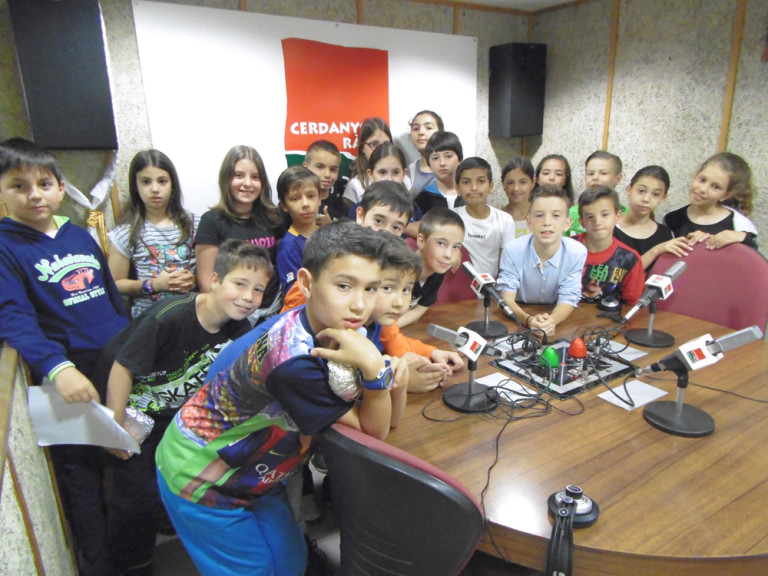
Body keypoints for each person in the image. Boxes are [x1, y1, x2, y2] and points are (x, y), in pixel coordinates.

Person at [155, 221, 403, 576]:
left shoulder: (334, 326)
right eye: (344, 286)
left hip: (256, 473)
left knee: (290, 559)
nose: (360, 304)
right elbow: (373, 431)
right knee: (251, 569)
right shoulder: (293, 362)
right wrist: (377, 371)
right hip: (200, 476)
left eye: (372, 288)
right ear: (306, 283)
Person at [101, 239, 269, 575]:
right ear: (214, 280)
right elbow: (122, 367)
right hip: (137, 414)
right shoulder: (169, 317)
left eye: (258, 290)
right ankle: (130, 565)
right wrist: (114, 427)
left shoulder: (241, 329)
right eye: (240, 284)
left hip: (179, 418)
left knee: (174, 482)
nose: (248, 297)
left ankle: (165, 518)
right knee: (134, 499)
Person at [0, 137, 128, 576]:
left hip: (114, 362)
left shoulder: (77, 234)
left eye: (44, 183)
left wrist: (130, 346)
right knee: (81, 478)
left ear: (60, 187)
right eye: (19, 186)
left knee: (124, 459)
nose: (34, 195)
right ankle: (99, 568)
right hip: (67, 376)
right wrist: (58, 368)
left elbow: (110, 296)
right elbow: (13, 317)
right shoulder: (6, 246)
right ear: (2, 192)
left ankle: (133, 558)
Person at [195, 145, 285, 323]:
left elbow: (280, 263)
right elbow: (207, 284)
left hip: (274, 310)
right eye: (239, 175)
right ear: (226, 178)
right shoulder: (211, 221)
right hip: (233, 316)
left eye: (255, 177)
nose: (247, 183)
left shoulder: (274, 218)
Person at [108, 149, 197, 318]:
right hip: (150, 320)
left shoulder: (195, 223)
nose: (155, 189)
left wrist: (194, 280)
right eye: (146, 182)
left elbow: (213, 274)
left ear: (172, 185)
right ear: (136, 186)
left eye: (162, 181)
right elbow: (115, 283)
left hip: (192, 315)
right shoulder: (126, 232)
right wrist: (154, 284)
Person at [497, 185, 587, 339]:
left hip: (556, 314)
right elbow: (506, 297)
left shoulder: (577, 252)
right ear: (529, 222)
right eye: (539, 215)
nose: (547, 222)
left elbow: (569, 297)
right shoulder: (512, 250)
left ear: (567, 223)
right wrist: (528, 321)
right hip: (517, 315)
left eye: (556, 215)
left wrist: (551, 322)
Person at [663, 152, 758, 249]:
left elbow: (751, 256)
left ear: (726, 195)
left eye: (715, 187)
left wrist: (743, 238)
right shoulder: (672, 219)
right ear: (695, 175)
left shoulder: (739, 226)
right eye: (702, 180)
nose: (703, 189)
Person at [575, 186, 644, 306]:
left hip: (609, 316)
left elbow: (632, 304)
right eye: (590, 217)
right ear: (582, 222)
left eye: (605, 214)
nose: (597, 222)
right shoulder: (564, 248)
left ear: (618, 216)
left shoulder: (630, 259)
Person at [398, 207, 465, 328]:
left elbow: (417, 312)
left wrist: (391, 328)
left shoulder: (438, 271)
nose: (448, 255)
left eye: (456, 247)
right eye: (441, 243)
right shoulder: (399, 269)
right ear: (421, 241)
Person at [614, 165, 692, 269]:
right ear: (629, 190)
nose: (646, 199)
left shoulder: (665, 234)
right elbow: (620, 273)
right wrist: (656, 250)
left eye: (655, 194)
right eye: (641, 191)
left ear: (663, 198)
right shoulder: (609, 228)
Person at [454, 157, 514, 278]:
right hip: (459, 286)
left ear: (491, 186)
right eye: (466, 182)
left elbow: (507, 265)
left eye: (481, 181)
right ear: (457, 188)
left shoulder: (504, 220)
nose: (474, 187)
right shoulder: (452, 217)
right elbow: (424, 228)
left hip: (491, 286)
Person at [343, 118, 411, 206]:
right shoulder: (355, 185)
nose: (381, 148)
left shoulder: (404, 180)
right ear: (362, 147)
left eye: (386, 143)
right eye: (374, 144)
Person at [276, 166, 321, 292]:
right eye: (295, 199)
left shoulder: (328, 234)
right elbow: (294, 294)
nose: (305, 204)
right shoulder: (289, 246)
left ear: (319, 199)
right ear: (284, 205)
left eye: (311, 196)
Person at [569, 150, 624, 236]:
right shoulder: (572, 213)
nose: (595, 177)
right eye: (591, 173)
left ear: (618, 178)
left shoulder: (627, 215)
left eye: (603, 173)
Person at [414, 131, 466, 215]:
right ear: (429, 165)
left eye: (448, 156)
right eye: (435, 158)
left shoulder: (470, 193)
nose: (442, 163)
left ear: (460, 160)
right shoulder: (423, 199)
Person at [303, 139, 346, 221]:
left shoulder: (343, 209)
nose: (327, 175)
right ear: (306, 167)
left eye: (333, 169)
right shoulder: (293, 204)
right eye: (320, 167)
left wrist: (330, 226)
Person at [407, 109, 444, 197]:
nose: (421, 132)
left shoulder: (452, 166)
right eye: (416, 128)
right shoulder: (410, 170)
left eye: (428, 128)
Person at [501, 156, 536, 238]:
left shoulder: (541, 216)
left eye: (523, 182)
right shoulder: (497, 218)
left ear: (533, 183)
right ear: (503, 184)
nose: (516, 188)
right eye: (510, 182)